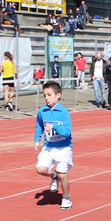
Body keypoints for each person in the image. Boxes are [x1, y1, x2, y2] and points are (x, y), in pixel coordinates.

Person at [34, 81, 73, 210]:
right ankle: (53, 176)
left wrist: (55, 126)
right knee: (40, 169)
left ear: (58, 95)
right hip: (49, 146)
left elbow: (67, 133)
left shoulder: (63, 112)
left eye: (49, 95)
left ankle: (66, 198)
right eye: (44, 95)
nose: (46, 98)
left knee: (63, 175)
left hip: (63, 147)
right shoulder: (42, 111)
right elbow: (39, 125)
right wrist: (37, 140)